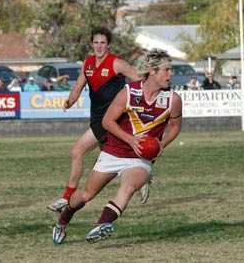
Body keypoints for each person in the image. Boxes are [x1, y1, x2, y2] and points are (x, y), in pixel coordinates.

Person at [52, 48, 183, 245]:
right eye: (166, 70)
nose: (170, 74)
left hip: (141, 158)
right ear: (153, 71)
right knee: (86, 195)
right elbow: (107, 122)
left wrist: (162, 143)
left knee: (129, 187)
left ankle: (103, 224)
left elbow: (175, 126)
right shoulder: (129, 93)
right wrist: (130, 140)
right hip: (114, 151)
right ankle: (62, 222)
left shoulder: (173, 99)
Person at [47, 27, 143, 213]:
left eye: (103, 43)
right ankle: (142, 176)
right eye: (96, 43)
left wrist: (133, 100)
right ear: (92, 44)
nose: (99, 46)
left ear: (108, 45)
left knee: (77, 151)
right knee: (113, 160)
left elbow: (139, 80)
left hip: (113, 120)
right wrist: (70, 101)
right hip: (97, 119)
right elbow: (78, 87)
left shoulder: (117, 63)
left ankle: (67, 198)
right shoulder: (88, 64)